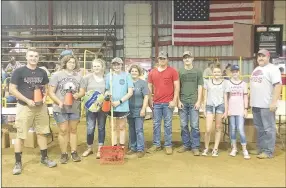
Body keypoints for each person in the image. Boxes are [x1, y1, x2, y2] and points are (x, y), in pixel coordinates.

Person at [9, 47, 57, 175]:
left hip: (40, 107)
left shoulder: (42, 72)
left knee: (42, 132)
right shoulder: (18, 71)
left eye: (36, 56)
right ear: (26, 57)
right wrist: (27, 100)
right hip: (25, 107)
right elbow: (12, 89)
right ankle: (18, 162)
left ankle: (44, 158)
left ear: (38, 58)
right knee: (21, 134)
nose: (33, 58)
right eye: (31, 56)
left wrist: (45, 97)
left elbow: (46, 88)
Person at [48, 55, 85, 164]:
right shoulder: (57, 75)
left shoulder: (79, 77)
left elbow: (82, 91)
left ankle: (74, 152)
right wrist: (59, 102)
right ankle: (64, 153)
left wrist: (78, 95)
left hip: (74, 107)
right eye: (69, 62)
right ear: (65, 63)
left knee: (73, 129)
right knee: (63, 130)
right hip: (60, 108)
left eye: (73, 62)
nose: (72, 64)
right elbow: (51, 92)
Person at [250, 49, 282, 159]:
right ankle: (261, 149)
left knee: (268, 128)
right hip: (256, 104)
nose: (261, 58)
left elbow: (278, 86)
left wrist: (274, 102)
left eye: (263, 56)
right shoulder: (257, 69)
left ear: (268, 57)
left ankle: (268, 151)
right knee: (259, 128)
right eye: (259, 56)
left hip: (266, 105)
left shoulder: (273, 69)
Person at [147, 51, 179, 155]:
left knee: (168, 124)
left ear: (167, 60)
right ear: (158, 59)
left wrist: (174, 100)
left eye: (164, 58)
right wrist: (150, 100)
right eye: (160, 58)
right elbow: (149, 87)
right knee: (156, 124)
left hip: (168, 103)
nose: (162, 60)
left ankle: (168, 145)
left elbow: (177, 87)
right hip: (156, 103)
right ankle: (156, 144)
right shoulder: (152, 72)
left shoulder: (173, 71)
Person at [177, 51, 203, 156]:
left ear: (193, 58)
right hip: (183, 101)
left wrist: (199, 101)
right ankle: (186, 144)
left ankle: (195, 146)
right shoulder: (180, 72)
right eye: (185, 57)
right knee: (183, 125)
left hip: (194, 102)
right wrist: (178, 100)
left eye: (189, 57)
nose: (187, 59)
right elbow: (177, 87)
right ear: (183, 60)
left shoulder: (198, 71)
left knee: (195, 125)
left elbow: (200, 86)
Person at [105, 57, 133, 149]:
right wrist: (108, 94)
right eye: (114, 64)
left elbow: (130, 92)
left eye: (118, 64)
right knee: (113, 127)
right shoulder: (108, 76)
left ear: (122, 65)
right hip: (111, 106)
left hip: (123, 106)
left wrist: (119, 101)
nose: (116, 66)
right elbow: (106, 90)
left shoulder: (127, 76)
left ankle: (121, 147)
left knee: (122, 127)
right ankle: (114, 146)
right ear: (112, 65)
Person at [81, 58, 107, 159]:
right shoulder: (87, 78)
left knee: (101, 127)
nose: (96, 68)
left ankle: (100, 148)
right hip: (90, 107)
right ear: (92, 67)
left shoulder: (106, 78)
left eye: (98, 66)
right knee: (90, 128)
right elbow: (83, 92)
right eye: (94, 66)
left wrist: (106, 95)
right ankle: (89, 148)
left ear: (102, 67)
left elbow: (108, 90)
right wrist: (86, 96)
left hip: (102, 107)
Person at [202, 64, 228, 157]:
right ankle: (206, 148)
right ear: (212, 73)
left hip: (220, 106)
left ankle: (215, 148)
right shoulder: (208, 82)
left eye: (218, 72)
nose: (216, 73)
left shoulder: (225, 83)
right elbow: (205, 97)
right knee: (208, 129)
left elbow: (225, 97)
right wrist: (204, 108)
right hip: (209, 106)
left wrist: (226, 111)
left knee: (218, 127)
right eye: (215, 72)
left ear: (221, 73)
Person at [226, 65, 250, 159]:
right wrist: (227, 109)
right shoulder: (228, 83)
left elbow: (245, 97)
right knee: (232, 129)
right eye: (233, 71)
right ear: (231, 73)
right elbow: (227, 97)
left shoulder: (244, 84)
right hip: (231, 109)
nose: (235, 73)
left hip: (240, 109)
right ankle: (234, 148)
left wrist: (245, 109)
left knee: (240, 129)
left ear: (239, 72)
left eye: (236, 71)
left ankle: (244, 149)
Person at [126, 64, 149, 158]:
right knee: (131, 129)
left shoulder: (143, 83)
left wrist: (143, 109)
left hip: (139, 110)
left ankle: (140, 149)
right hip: (129, 110)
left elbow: (146, 97)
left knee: (139, 129)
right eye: (132, 71)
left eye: (136, 71)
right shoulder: (127, 82)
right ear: (130, 72)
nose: (134, 73)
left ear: (139, 73)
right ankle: (133, 147)